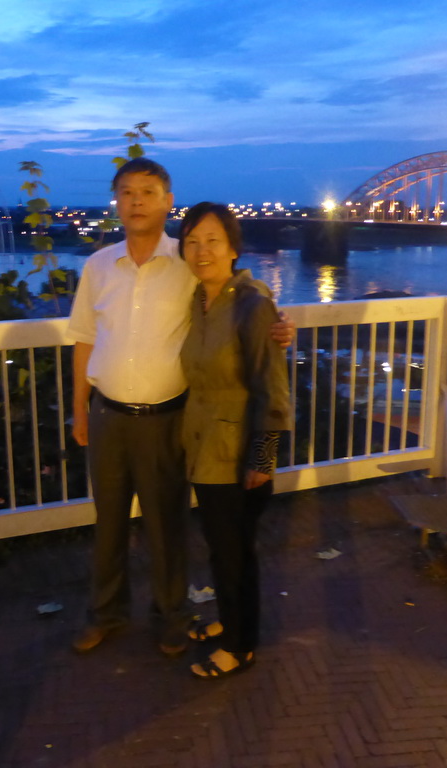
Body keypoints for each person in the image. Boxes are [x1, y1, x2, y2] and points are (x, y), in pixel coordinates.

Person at [67, 159, 292, 658]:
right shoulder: (99, 266)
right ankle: (106, 612)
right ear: (116, 202)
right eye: (126, 193)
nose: (137, 201)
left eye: (148, 192)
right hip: (106, 414)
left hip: (168, 417)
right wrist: (79, 410)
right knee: (107, 520)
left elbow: (240, 291)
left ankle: (172, 615)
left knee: (166, 522)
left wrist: (278, 321)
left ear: (168, 201)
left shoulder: (188, 261)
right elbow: (83, 339)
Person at [178, 202, 291, 679]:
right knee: (222, 544)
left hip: (238, 450)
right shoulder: (198, 301)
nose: (202, 251)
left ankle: (241, 645)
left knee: (234, 550)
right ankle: (230, 620)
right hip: (203, 445)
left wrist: (262, 458)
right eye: (192, 242)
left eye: (213, 241)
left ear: (233, 248)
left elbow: (272, 387)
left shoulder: (251, 305)